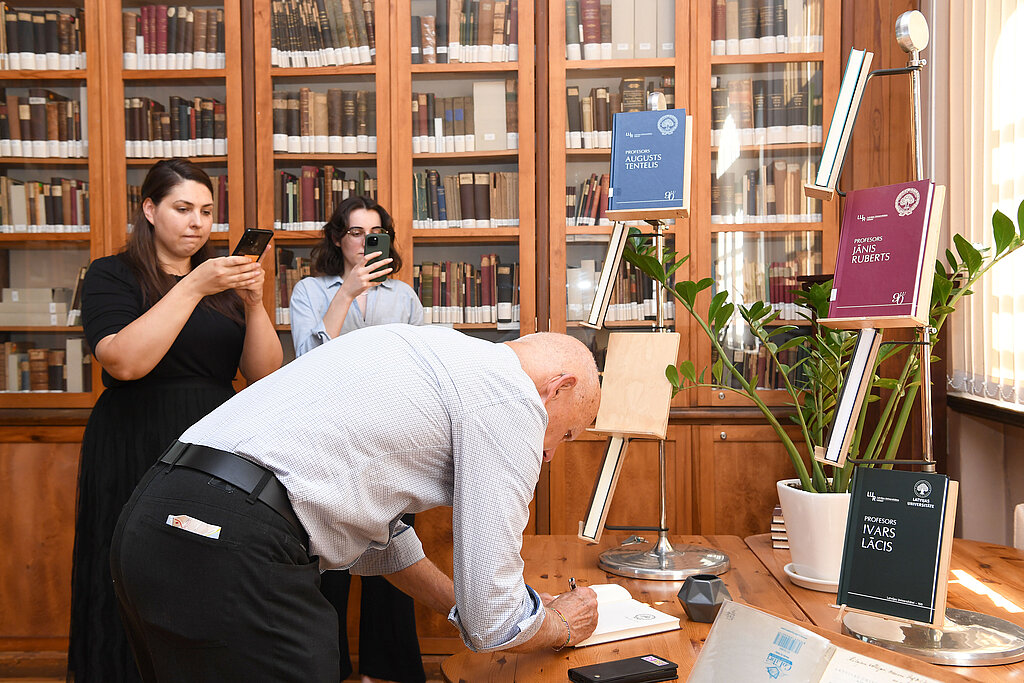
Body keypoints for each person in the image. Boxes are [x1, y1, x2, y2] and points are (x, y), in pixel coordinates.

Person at [109, 325, 602, 682]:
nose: (549, 455)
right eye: (566, 434)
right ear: (558, 388)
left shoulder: (424, 349)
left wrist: (465, 605)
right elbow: (494, 620)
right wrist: (559, 625)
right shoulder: (511, 397)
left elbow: (379, 540)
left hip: (153, 517)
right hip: (235, 539)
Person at [68, 159, 283, 682]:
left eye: (206, 212)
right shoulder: (111, 274)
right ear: (149, 209)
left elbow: (263, 375)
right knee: (130, 566)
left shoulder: (222, 281)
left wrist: (254, 305)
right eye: (183, 208)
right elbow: (124, 362)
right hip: (135, 436)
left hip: (212, 441)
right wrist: (191, 287)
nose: (197, 223)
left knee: (205, 566)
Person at [288, 195, 424, 683]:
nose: (365, 242)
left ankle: (388, 671)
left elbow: (420, 365)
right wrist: (345, 294)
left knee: (392, 554)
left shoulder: (403, 296)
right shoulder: (310, 291)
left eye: (375, 232)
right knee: (328, 563)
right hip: (328, 439)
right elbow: (305, 361)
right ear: (337, 238)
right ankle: (329, 670)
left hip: (392, 439)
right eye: (355, 232)